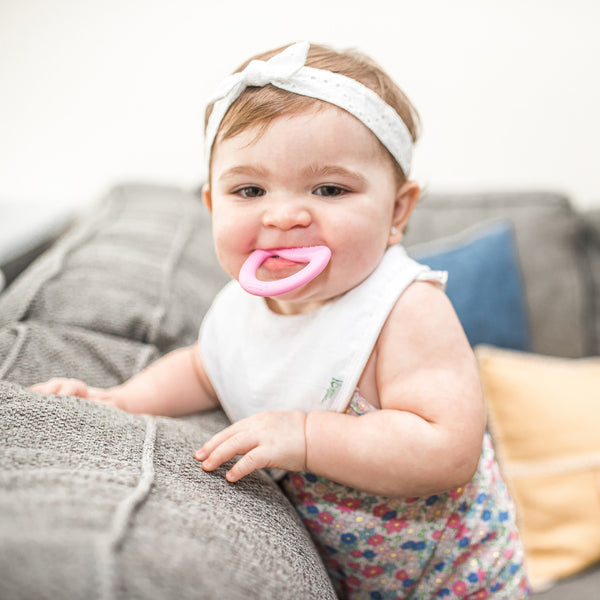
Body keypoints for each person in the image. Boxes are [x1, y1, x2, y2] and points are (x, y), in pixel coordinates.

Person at [32, 41, 530, 599]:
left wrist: (306, 435)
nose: (285, 214)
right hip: (352, 576)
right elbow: (203, 369)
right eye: (250, 190)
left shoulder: (404, 307)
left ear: (397, 211)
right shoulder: (245, 304)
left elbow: (447, 449)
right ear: (213, 205)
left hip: (454, 580)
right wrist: (118, 400)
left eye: (329, 189)